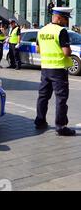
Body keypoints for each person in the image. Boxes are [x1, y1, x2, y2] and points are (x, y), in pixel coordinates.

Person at [35, 7, 76, 136]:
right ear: (58, 17)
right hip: (58, 69)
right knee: (61, 98)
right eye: (65, 19)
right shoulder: (61, 31)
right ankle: (61, 126)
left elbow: (38, 49)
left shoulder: (41, 31)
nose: (66, 22)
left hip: (45, 68)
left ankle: (40, 121)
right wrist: (70, 52)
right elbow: (66, 52)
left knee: (43, 96)